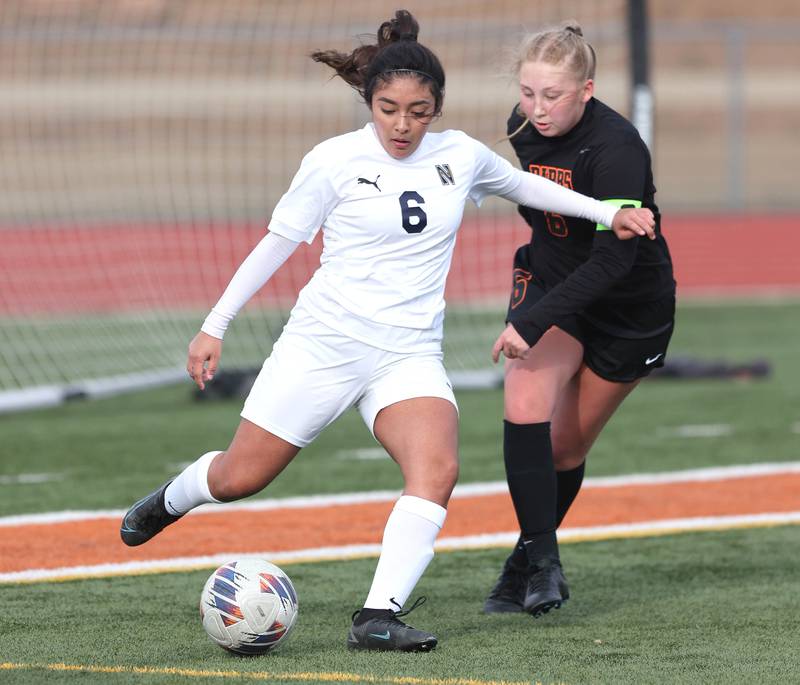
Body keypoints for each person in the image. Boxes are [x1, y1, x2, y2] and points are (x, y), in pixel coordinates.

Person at [119, 10, 655, 652]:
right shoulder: (332, 161)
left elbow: (526, 186)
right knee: (241, 478)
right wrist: (215, 326)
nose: (403, 125)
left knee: (437, 468)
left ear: (437, 108)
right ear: (369, 102)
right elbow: (275, 245)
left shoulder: (460, 155)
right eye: (389, 108)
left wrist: (610, 212)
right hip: (323, 347)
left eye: (419, 111)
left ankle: (377, 616)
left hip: (407, 354)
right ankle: (174, 499)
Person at [484, 23, 676, 617]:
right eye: (528, 92)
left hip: (628, 307)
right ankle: (543, 567)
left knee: (565, 448)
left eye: (554, 96)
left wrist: (532, 321)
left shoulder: (617, 148)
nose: (537, 110)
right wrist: (538, 310)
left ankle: (521, 563)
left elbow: (614, 260)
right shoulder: (521, 127)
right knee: (523, 404)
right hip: (551, 282)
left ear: (586, 89)